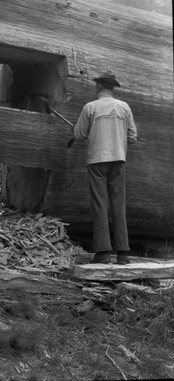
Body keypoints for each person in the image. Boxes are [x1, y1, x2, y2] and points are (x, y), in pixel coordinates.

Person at [73, 71, 137, 265]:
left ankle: (103, 253)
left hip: (97, 161)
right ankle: (123, 253)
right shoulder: (124, 107)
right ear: (112, 88)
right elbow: (132, 136)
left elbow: (79, 135)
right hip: (118, 160)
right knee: (118, 204)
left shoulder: (90, 107)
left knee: (100, 205)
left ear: (99, 86)